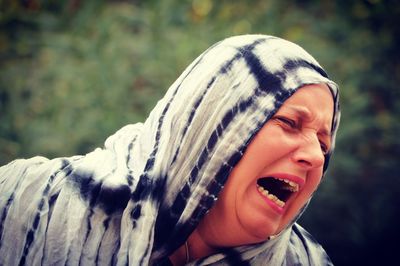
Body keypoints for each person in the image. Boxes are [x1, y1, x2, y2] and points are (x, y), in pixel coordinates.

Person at [0, 34, 340, 265]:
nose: (314, 156)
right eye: (289, 123)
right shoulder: (26, 204)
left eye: (324, 145)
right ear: (213, 122)